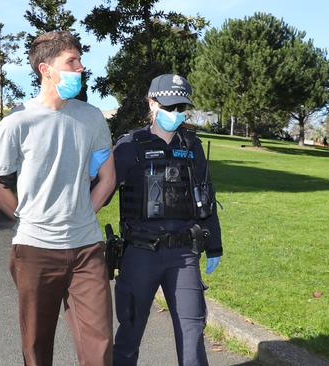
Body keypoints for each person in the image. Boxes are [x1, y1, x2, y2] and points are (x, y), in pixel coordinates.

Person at [0, 31, 117, 366]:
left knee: (99, 346)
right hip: (34, 250)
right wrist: (28, 219)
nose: (80, 67)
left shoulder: (92, 118)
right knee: (36, 346)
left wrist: (84, 211)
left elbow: (107, 177)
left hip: (87, 247)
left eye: (79, 60)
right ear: (46, 69)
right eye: (71, 62)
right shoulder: (17, 122)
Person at [108, 74, 223, 366]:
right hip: (140, 255)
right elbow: (102, 190)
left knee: (192, 334)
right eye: (169, 106)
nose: (175, 113)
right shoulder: (130, 144)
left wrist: (215, 245)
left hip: (184, 256)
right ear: (152, 102)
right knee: (129, 336)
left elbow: (205, 197)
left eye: (181, 107)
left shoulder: (192, 146)